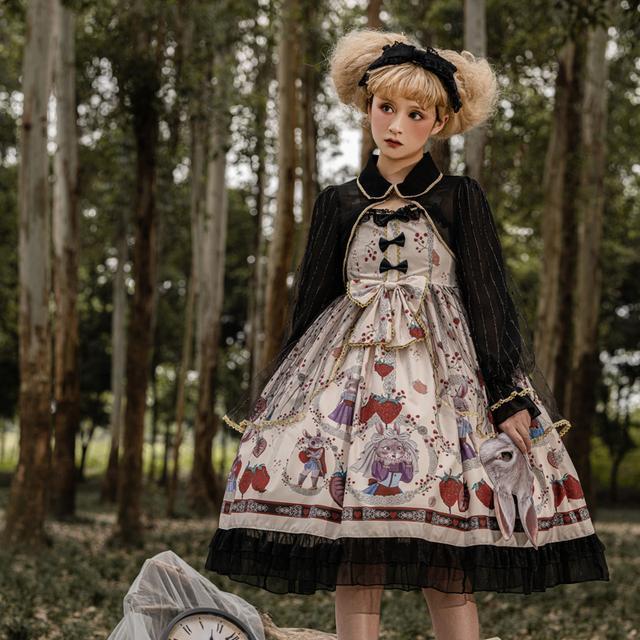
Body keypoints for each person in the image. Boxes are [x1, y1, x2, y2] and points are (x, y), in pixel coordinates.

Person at [205, 29, 610, 640]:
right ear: (366, 106)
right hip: (345, 384)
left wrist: (506, 394)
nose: (395, 125)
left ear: (439, 123)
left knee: (445, 555)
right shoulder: (338, 203)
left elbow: (489, 299)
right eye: (385, 107)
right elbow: (311, 302)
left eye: (415, 114)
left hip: (446, 388)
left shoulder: (458, 197)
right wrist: (284, 393)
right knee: (355, 554)